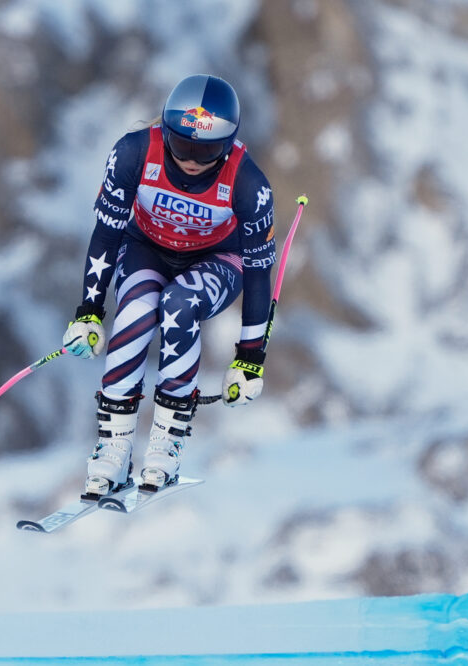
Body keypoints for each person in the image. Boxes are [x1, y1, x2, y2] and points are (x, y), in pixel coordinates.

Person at [62, 74, 276, 496]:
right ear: (165, 130)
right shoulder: (133, 153)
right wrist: (88, 313)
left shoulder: (250, 185)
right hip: (148, 248)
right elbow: (106, 235)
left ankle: (167, 442)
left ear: (229, 143)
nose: (193, 160)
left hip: (218, 260)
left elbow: (258, 273)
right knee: (138, 307)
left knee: (180, 303)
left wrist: (250, 358)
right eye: (183, 145)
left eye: (208, 149)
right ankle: (113, 449)